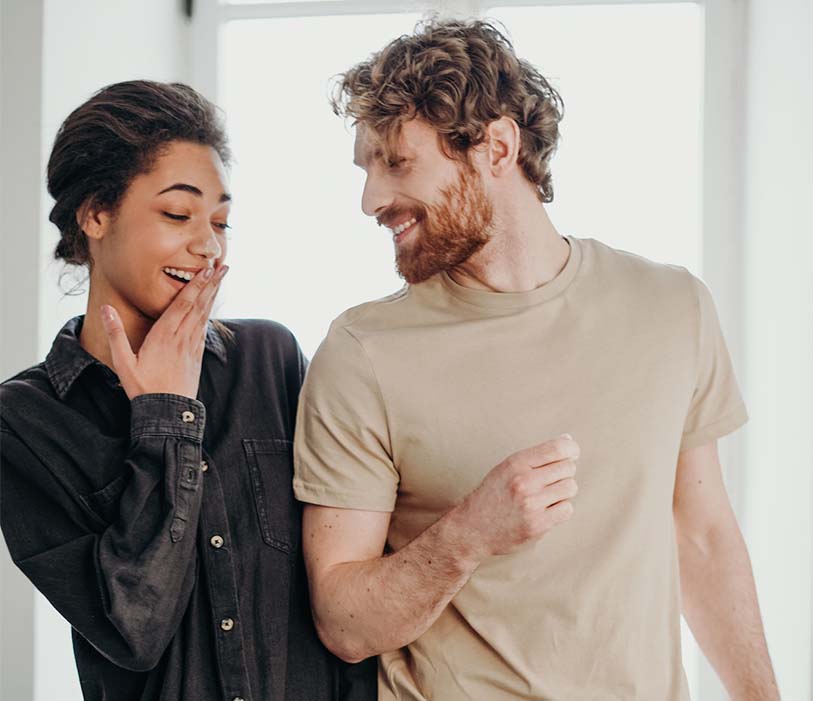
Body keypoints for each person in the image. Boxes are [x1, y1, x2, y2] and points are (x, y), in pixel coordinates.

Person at [292, 19, 779, 701]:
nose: (371, 199)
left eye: (396, 164)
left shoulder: (672, 307)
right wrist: (467, 534)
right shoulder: (360, 353)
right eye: (365, 169)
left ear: (495, 147)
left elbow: (701, 537)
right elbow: (343, 622)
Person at [0, 80, 374, 701]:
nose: (208, 246)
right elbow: (133, 630)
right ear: (96, 214)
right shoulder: (25, 422)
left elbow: (346, 591)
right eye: (178, 214)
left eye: (221, 221)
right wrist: (165, 418)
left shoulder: (270, 360)